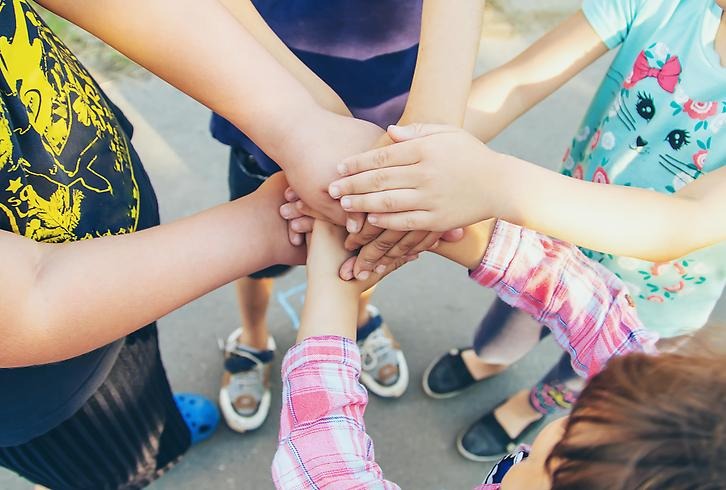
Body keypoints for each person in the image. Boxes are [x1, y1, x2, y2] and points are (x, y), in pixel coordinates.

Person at [0, 0, 399, 487]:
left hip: (112, 252)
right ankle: (148, 456)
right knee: (110, 459)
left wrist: (301, 123)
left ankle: (159, 422)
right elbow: (29, 302)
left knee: (140, 372)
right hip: (40, 387)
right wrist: (265, 226)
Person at [323, 0, 726, 460]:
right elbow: (516, 82)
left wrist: (489, 181)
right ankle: (488, 361)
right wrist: (390, 167)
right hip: (553, 246)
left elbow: (681, 223)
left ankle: (529, 405)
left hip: (657, 301)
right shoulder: (664, 6)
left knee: (584, 378)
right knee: (499, 336)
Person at [271, 220, 726, 489]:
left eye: (564, 444)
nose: (565, 423)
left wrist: (333, 281)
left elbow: (323, 465)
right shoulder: (680, 427)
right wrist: (445, 229)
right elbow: (595, 312)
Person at [209, 0, 484, 432]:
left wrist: (423, 149)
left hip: (387, 91)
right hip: (263, 93)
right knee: (261, 253)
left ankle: (357, 318)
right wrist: (308, 118)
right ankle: (253, 337)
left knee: (366, 236)